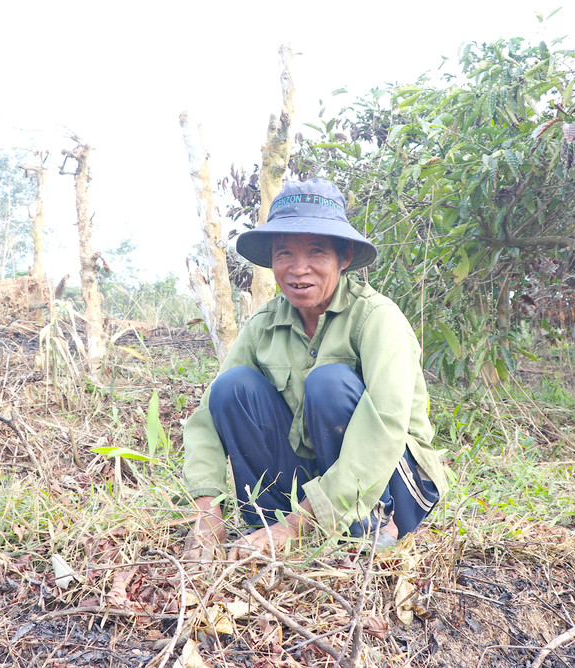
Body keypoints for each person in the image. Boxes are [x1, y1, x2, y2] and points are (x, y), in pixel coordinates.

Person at [181, 178, 448, 561]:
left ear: (343, 258)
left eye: (317, 252)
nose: (298, 269)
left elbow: (387, 427)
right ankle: (266, 523)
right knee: (232, 386)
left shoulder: (377, 318)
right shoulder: (264, 323)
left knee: (330, 382)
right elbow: (208, 415)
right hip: (310, 479)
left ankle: (371, 526)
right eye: (284, 254)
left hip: (396, 481)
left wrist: (295, 525)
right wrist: (206, 509)